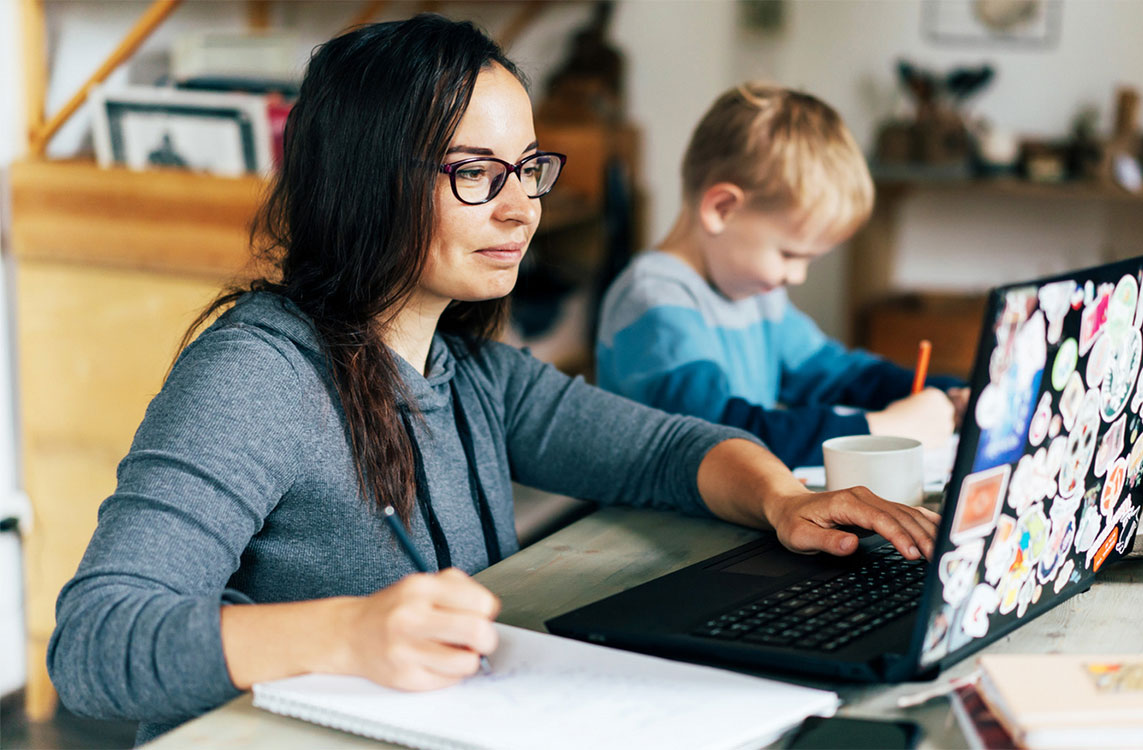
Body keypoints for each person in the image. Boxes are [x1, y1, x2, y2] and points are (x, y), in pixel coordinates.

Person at [47, 16, 940, 743]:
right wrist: (345, 633)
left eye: (527, 170)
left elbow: (666, 450)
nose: (521, 208)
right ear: (368, 181)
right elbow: (95, 641)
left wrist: (782, 500)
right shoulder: (255, 376)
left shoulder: (469, 370)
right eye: (476, 174)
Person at [596, 83, 968, 468]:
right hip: (650, 521)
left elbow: (835, 374)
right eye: (789, 253)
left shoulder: (755, 292)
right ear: (722, 208)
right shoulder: (654, 300)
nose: (798, 276)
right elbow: (723, 436)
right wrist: (878, 427)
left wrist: (945, 393)